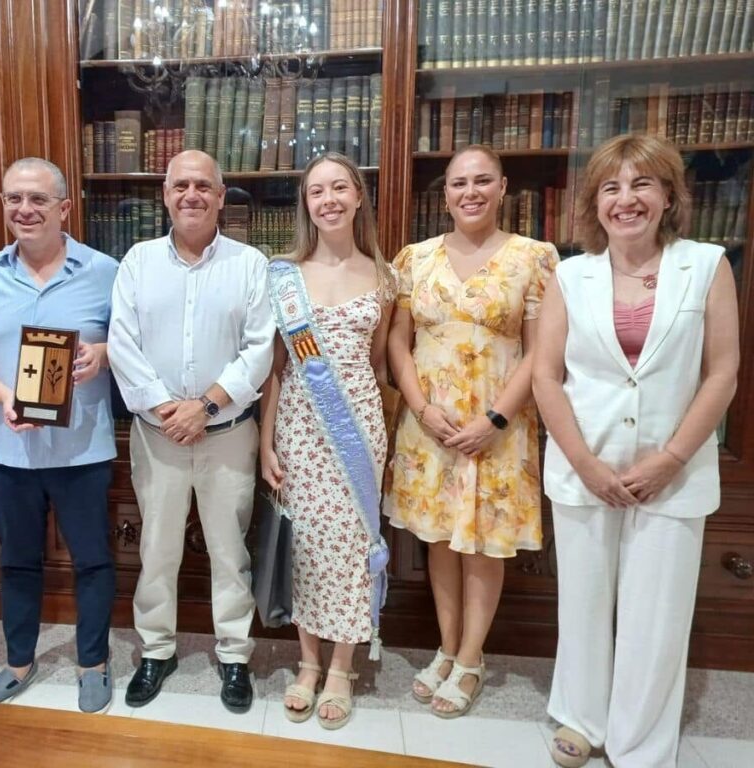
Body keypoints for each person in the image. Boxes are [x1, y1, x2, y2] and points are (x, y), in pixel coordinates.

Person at [533, 134, 739, 768]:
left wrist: (672, 457)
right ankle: (579, 716)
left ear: (669, 195)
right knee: (585, 601)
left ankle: (641, 743)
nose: (626, 200)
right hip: (584, 465)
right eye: (611, 188)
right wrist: (586, 464)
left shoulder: (706, 265)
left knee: (658, 617)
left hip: (671, 473)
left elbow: (723, 371)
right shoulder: (571, 274)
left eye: (641, 185)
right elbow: (545, 375)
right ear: (594, 204)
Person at [386, 145, 557, 717]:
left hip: (497, 427)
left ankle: (472, 657)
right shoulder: (414, 258)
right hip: (429, 425)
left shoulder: (534, 258)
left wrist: (496, 419)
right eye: (459, 183)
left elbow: (540, 354)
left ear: (503, 187)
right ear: (446, 193)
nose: (471, 192)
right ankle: (447, 646)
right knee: (438, 537)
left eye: (483, 181)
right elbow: (397, 342)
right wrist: (421, 408)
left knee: (482, 544)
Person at [0, 157, 119, 713]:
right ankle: (18, 662)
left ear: (64, 208)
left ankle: (92, 663)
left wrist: (105, 354)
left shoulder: (107, 271)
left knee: (92, 559)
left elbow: (139, 345)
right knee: (17, 560)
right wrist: (4, 396)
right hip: (7, 447)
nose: (25, 209)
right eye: (13, 198)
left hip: (83, 449)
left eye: (38, 199)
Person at [107, 149, 274, 713]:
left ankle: (234, 656)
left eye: (204, 185)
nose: (192, 195)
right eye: (181, 185)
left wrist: (204, 405)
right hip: (158, 437)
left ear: (222, 197)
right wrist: (167, 409)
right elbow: (122, 345)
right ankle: (157, 650)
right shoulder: (137, 261)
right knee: (156, 548)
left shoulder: (251, 263)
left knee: (231, 551)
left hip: (227, 432)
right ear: (165, 194)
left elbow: (259, 349)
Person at [259, 152, 395, 729]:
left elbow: (381, 363)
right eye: (318, 191)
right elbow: (273, 369)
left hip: (357, 424)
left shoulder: (385, 276)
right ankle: (308, 663)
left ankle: (344, 665)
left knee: (353, 544)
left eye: (340, 187)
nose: (330, 199)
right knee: (307, 545)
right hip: (296, 425)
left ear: (358, 196)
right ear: (307, 204)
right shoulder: (282, 274)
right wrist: (265, 443)